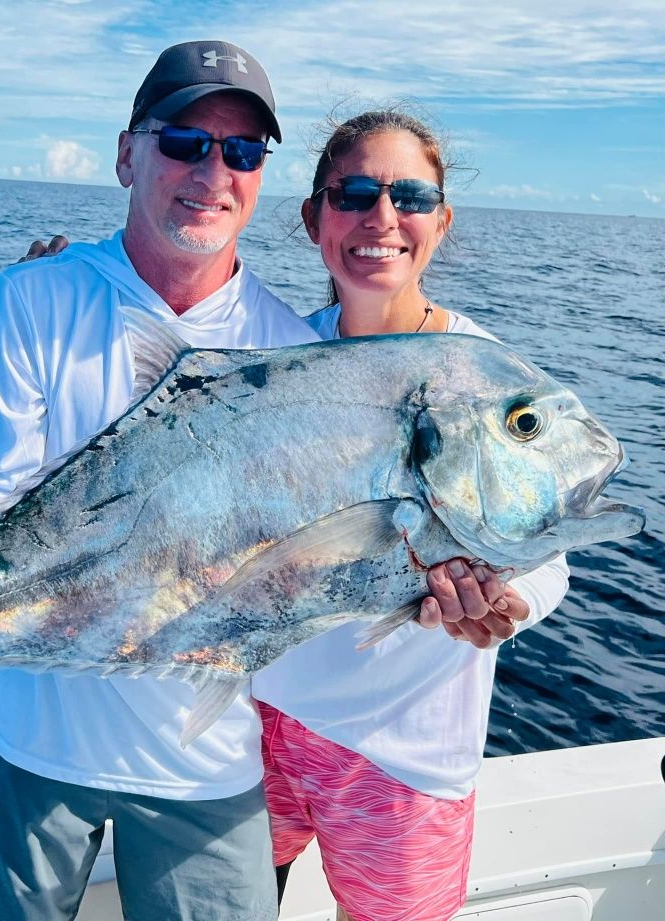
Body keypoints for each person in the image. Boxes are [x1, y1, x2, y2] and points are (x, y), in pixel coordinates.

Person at [0, 40, 317, 921]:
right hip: (34, 744)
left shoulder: (294, 353)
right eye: (184, 140)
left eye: (242, 150)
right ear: (126, 154)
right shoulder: (33, 297)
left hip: (209, 761)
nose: (213, 170)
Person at [250, 109, 571, 921]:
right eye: (353, 191)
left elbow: (549, 551)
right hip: (256, 721)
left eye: (410, 194)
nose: (381, 217)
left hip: (400, 756)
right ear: (314, 217)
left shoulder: (487, 379)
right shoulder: (276, 357)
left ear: (442, 219)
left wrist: (506, 604)